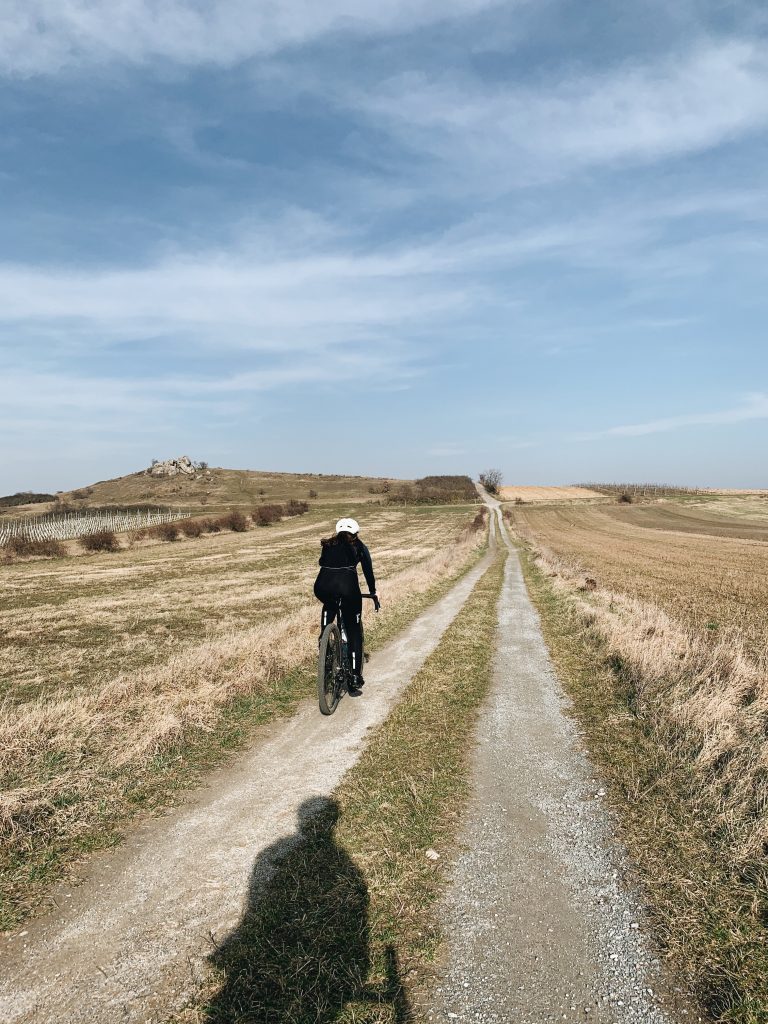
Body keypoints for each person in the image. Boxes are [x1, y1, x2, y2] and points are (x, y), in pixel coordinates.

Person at [314, 517, 379, 695]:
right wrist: (373, 592)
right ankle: (355, 676)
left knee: (330, 603)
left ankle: (325, 640)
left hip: (322, 586)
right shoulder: (359, 546)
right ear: (356, 533)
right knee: (353, 631)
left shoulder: (328, 544)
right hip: (348, 589)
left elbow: (322, 563)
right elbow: (368, 570)